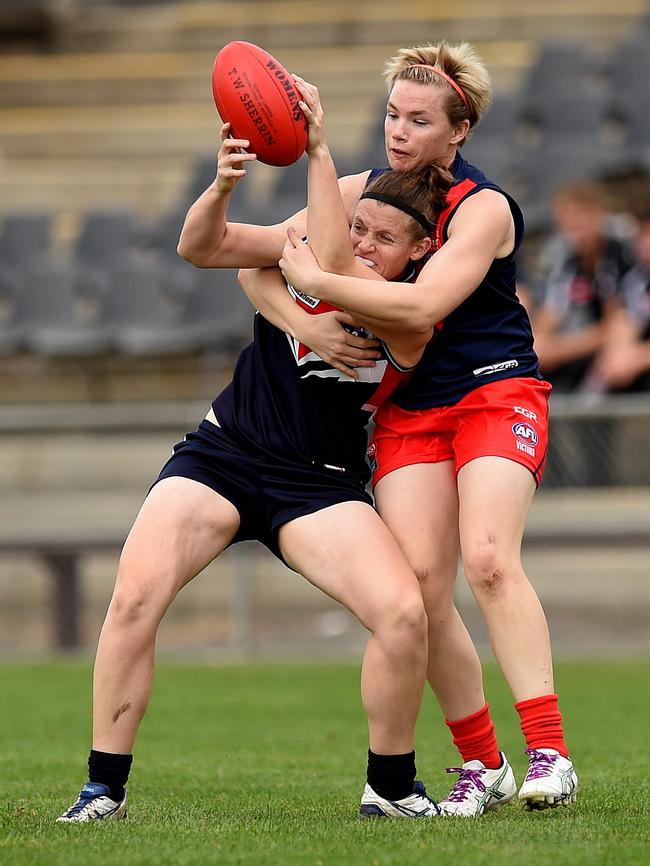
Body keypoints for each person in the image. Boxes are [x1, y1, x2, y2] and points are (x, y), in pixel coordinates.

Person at [178, 42, 579, 817]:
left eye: (420, 119)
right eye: (393, 113)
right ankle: (482, 763)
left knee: (490, 559)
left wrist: (315, 279)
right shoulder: (363, 187)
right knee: (422, 592)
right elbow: (227, 252)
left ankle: (549, 752)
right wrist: (305, 314)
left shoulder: (483, 206)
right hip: (410, 413)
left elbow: (421, 308)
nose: (399, 131)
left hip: (495, 393)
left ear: (459, 131)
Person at [56, 82, 454, 823]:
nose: (366, 242)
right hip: (225, 454)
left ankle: (391, 786)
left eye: (386, 238)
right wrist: (222, 186)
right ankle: (102, 789)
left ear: (422, 249)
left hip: (319, 484)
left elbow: (326, 266)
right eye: (360, 227)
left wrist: (319, 149)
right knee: (135, 594)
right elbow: (203, 247)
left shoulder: (407, 318)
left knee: (403, 613)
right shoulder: (321, 249)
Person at [595, 206, 650, 392]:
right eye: (641, 234)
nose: (644, 243)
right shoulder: (638, 279)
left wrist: (640, 356)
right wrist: (617, 353)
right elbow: (626, 320)